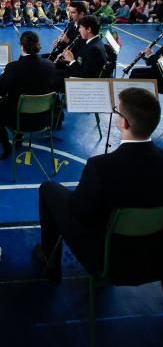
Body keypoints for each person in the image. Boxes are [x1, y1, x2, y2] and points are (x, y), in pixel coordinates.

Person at [35, 88, 163, 283]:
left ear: (124, 122)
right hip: (154, 257)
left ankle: (50, 260)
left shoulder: (101, 166)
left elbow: (79, 212)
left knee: (48, 189)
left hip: (107, 259)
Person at [0, 31, 59, 159]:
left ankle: (6, 144)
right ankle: (18, 136)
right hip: (44, 119)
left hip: (19, 120)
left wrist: (5, 73)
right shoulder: (50, 65)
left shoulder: (13, 67)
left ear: (22, 46)